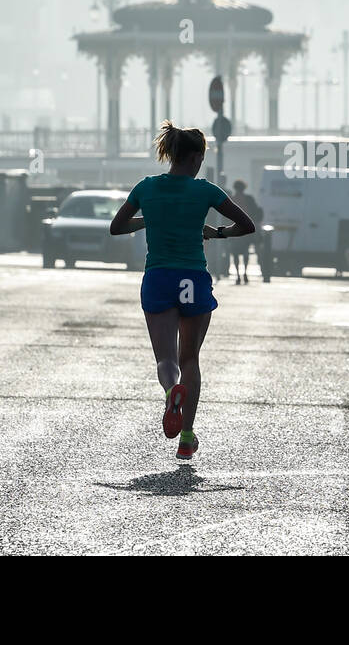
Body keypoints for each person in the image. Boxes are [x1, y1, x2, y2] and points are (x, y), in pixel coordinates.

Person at [110, 120, 256, 461]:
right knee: (190, 357)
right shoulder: (205, 191)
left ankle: (169, 391)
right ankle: (187, 437)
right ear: (194, 159)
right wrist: (216, 233)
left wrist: (151, 219)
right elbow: (246, 225)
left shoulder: (146, 188)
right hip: (193, 277)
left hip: (159, 277)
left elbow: (117, 227)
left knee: (166, 359)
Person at [228, 179, 263, 285]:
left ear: (235, 188)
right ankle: (245, 274)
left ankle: (238, 275)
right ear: (244, 188)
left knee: (235, 253)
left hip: (233, 229)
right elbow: (257, 212)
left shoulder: (231, 199)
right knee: (245, 252)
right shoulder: (249, 199)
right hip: (246, 229)